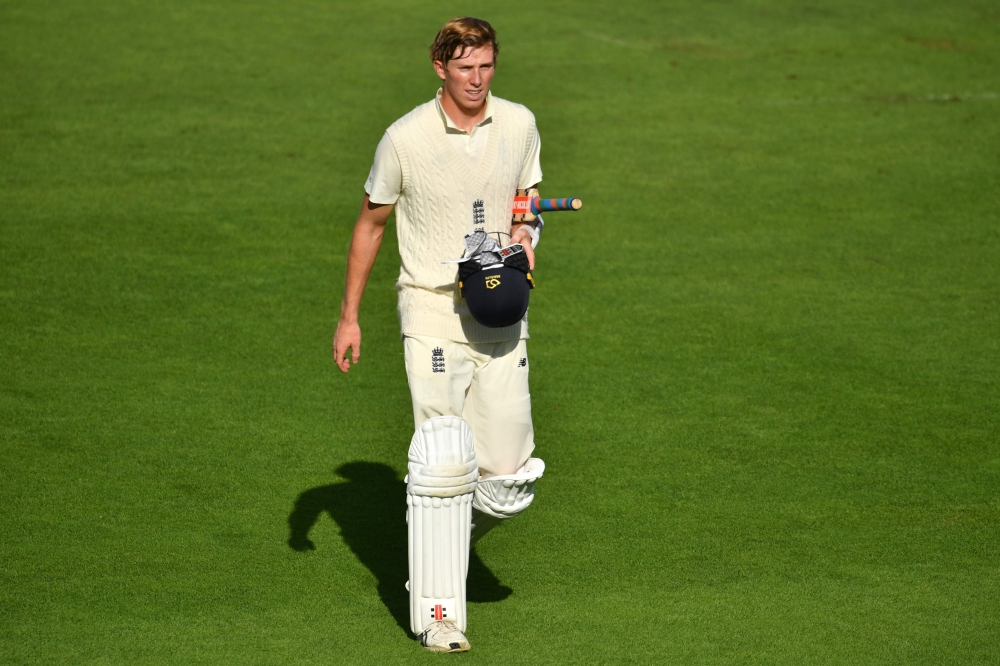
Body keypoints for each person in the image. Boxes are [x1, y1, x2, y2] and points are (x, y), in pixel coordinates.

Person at [332, 17, 545, 653]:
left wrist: (527, 234)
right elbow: (370, 225)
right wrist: (350, 315)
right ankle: (437, 613)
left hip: (501, 309)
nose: (476, 80)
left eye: (485, 67)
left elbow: (525, 195)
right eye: (464, 68)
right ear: (439, 68)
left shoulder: (519, 123)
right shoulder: (405, 139)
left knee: (506, 481)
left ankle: (433, 527)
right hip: (430, 310)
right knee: (444, 458)